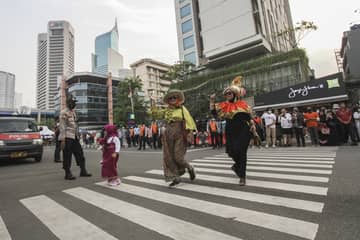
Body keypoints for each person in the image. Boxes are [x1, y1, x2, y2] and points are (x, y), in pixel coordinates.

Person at [209, 76, 255, 186]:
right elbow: (214, 114)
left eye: (230, 93)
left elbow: (249, 117)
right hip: (231, 130)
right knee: (233, 151)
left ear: (235, 94)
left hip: (244, 130)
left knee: (242, 152)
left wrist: (252, 125)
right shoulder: (224, 105)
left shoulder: (243, 104)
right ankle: (236, 166)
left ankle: (242, 176)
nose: (227, 95)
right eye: (226, 94)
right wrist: (211, 101)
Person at [150, 89, 197, 187]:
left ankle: (190, 168)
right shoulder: (166, 110)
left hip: (180, 134)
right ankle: (175, 177)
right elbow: (155, 114)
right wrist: (152, 102)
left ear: (178, 99)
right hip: (168, 134)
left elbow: (189, 120)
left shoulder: (182, 109)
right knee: (168, 157)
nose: (172, 99)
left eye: (174, 97)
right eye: (170, 98)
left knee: (178, 157)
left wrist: (190, 132)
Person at [59, 94, 92, 180]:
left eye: (74, 102)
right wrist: (62, 140)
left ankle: (83, 170)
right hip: (67, 137)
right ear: (68, 103)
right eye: (72, 102)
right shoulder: (63, 112)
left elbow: (75, 125)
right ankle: (67, 173)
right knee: (67, 155)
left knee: (80, 153)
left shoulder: (73, 112)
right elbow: (62, 127)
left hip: (75, 136)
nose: (74, 104)